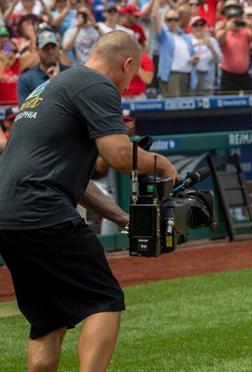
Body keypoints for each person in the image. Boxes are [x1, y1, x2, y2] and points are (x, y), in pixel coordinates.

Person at [0, 31, 177, 372]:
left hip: (9, 216)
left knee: (48, 321)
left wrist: (122, 217)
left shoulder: (52, 87)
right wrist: (165, 164)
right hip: (42, 208)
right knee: (104, 301)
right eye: (132, 75)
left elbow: (70, 180)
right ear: (127, 64)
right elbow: (120, 156)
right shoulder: (96, 85)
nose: (127, 87)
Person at [17, 29, 70, 102]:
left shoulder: (70, 73)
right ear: (37, 50)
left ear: (58, 47)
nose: (51, 51)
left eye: (53, 47)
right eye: (45, 48)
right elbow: (24, 110)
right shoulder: (26, 79)